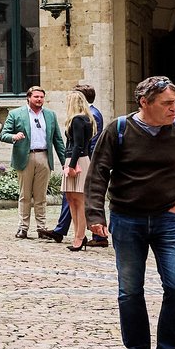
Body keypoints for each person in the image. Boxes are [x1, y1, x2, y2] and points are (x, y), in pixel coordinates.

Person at [83, 76, 175, 349]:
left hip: (168, 221)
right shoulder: (120, 129)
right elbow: (98, 173)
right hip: (127, 219)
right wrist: (95, 214)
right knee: (130, 289)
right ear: (144, 103)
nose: (174, 109)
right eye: (167, 104)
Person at [1, 86, 67, 239]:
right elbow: (3, 134)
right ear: (28, 97)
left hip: (44, 156)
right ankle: (23, 228)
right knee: (24, 195)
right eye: (36, 97)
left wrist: (65, 162)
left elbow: (58, 140)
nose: (39, 99)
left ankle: (41, 228)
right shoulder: (16, 114)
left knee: (41, 196)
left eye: (41, 97)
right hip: (25, 157)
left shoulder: (50, 115)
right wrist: (14, 137)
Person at [62, 86, 108, 252]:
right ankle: (77, 234)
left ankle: (80, 236)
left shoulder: (78, 120)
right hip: (76, 159)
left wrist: (72, 165)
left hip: (78, 160)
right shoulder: (83, 119)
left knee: (79, 200)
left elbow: (79, 146)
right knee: (71, 198)